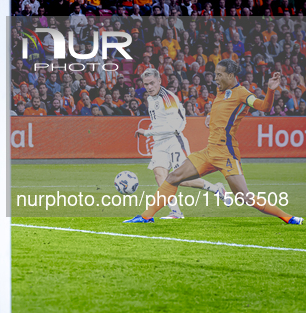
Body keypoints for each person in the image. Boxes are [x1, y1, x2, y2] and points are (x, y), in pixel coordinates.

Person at [125, 61, 303, 225]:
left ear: (231, 75)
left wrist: (270, 90)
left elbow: (264, 107)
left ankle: (288, 218)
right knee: (173, 177)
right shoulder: (220, 91)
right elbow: (222, 110)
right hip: (209, 152)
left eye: (219, 74)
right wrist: (211, 116)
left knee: (243, 197)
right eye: (215, 74)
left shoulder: (242, 93)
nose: (216, 78)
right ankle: (146, 216)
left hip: (226, 153)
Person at [133, 69, 231, 219]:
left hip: (174, 140)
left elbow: (172, 127)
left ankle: (216, 189)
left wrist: (147, 132)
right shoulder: (151, 98)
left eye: (152, 83)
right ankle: (176, 212)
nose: (149, 87)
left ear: (159, 81)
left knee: (181, 179)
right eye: (146, 84)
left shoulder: (168, 99)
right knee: (160, 175)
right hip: (159, 142)